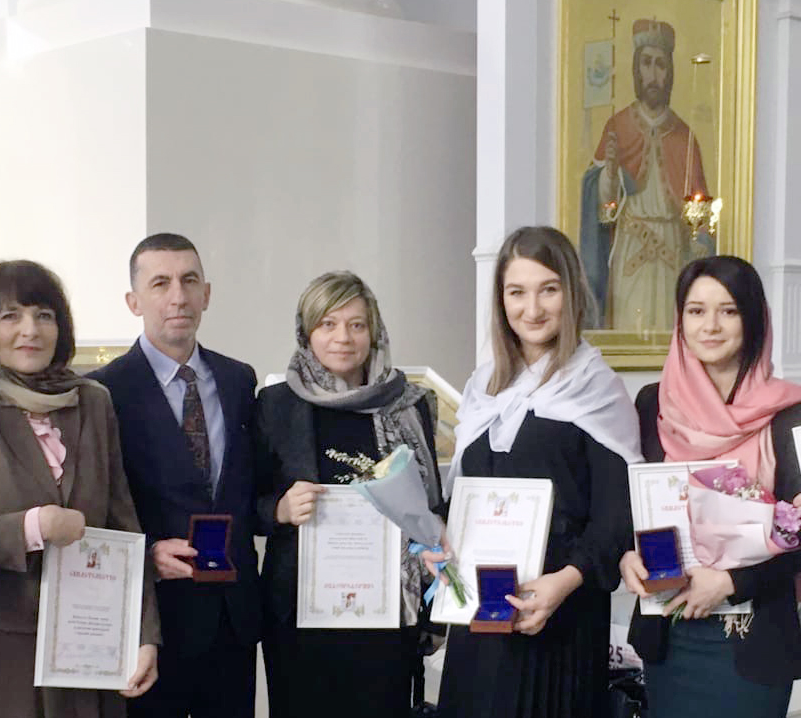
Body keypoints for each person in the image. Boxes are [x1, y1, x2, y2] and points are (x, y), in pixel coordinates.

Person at [0, 260, 160, 718]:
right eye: (11, 316)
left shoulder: (93, 401)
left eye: (44, 315)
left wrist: (143, 633)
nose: (30, 330)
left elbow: (123, 526)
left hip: (89, 644)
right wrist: (32, 527)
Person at [433, 226, 642, 717]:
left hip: (561, 617)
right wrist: (438, 540)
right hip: (481, 614)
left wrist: (562, 583)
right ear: (501, 300)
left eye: (548, 289)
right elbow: (463, 498)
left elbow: (615, 517)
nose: (532, 308)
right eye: (517, 292)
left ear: (572, 293)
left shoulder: (596, 388)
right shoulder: (482, 388)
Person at [618, 256, 801, 718]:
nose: (711, 326)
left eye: (729, 310)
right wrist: (626, 554)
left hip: (751, 642)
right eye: (696, 311)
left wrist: (731, 583)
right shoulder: (652, 404)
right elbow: (632, 507)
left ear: (754, 319)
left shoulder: (792, 415)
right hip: (669, 636)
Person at [254, 271, 441, 717]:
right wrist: (278, 509)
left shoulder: (410, 404)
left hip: (388, 612)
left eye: (357, 325)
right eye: (328, 324)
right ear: (307, 331)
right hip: (301, 614)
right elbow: (246, 502)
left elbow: (431, 506)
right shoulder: (276, 404)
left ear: (374, 332)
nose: (343, 338)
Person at [89, 233, 261, 718]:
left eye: (189, 281)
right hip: (151, 621)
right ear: (134, 301)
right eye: (160, 283)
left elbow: (247, 488)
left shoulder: (239, 379)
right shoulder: (101, 392)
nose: (178, 296)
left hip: (233, 617)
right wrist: (145, 556)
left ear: (207, 293)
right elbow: (92, 505)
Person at [580, 19, 712, 331]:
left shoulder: (685, 136)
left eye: (660, 65)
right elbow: (601, 204)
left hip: (671, 251)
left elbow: (702, 213)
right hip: (631, 248)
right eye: (646, 63)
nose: (653, 74)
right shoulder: (617, 126)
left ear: (670, 72)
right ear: (636, 69)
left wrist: (700, 241)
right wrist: (609, 174)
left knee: (670, 325)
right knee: (627, 325)